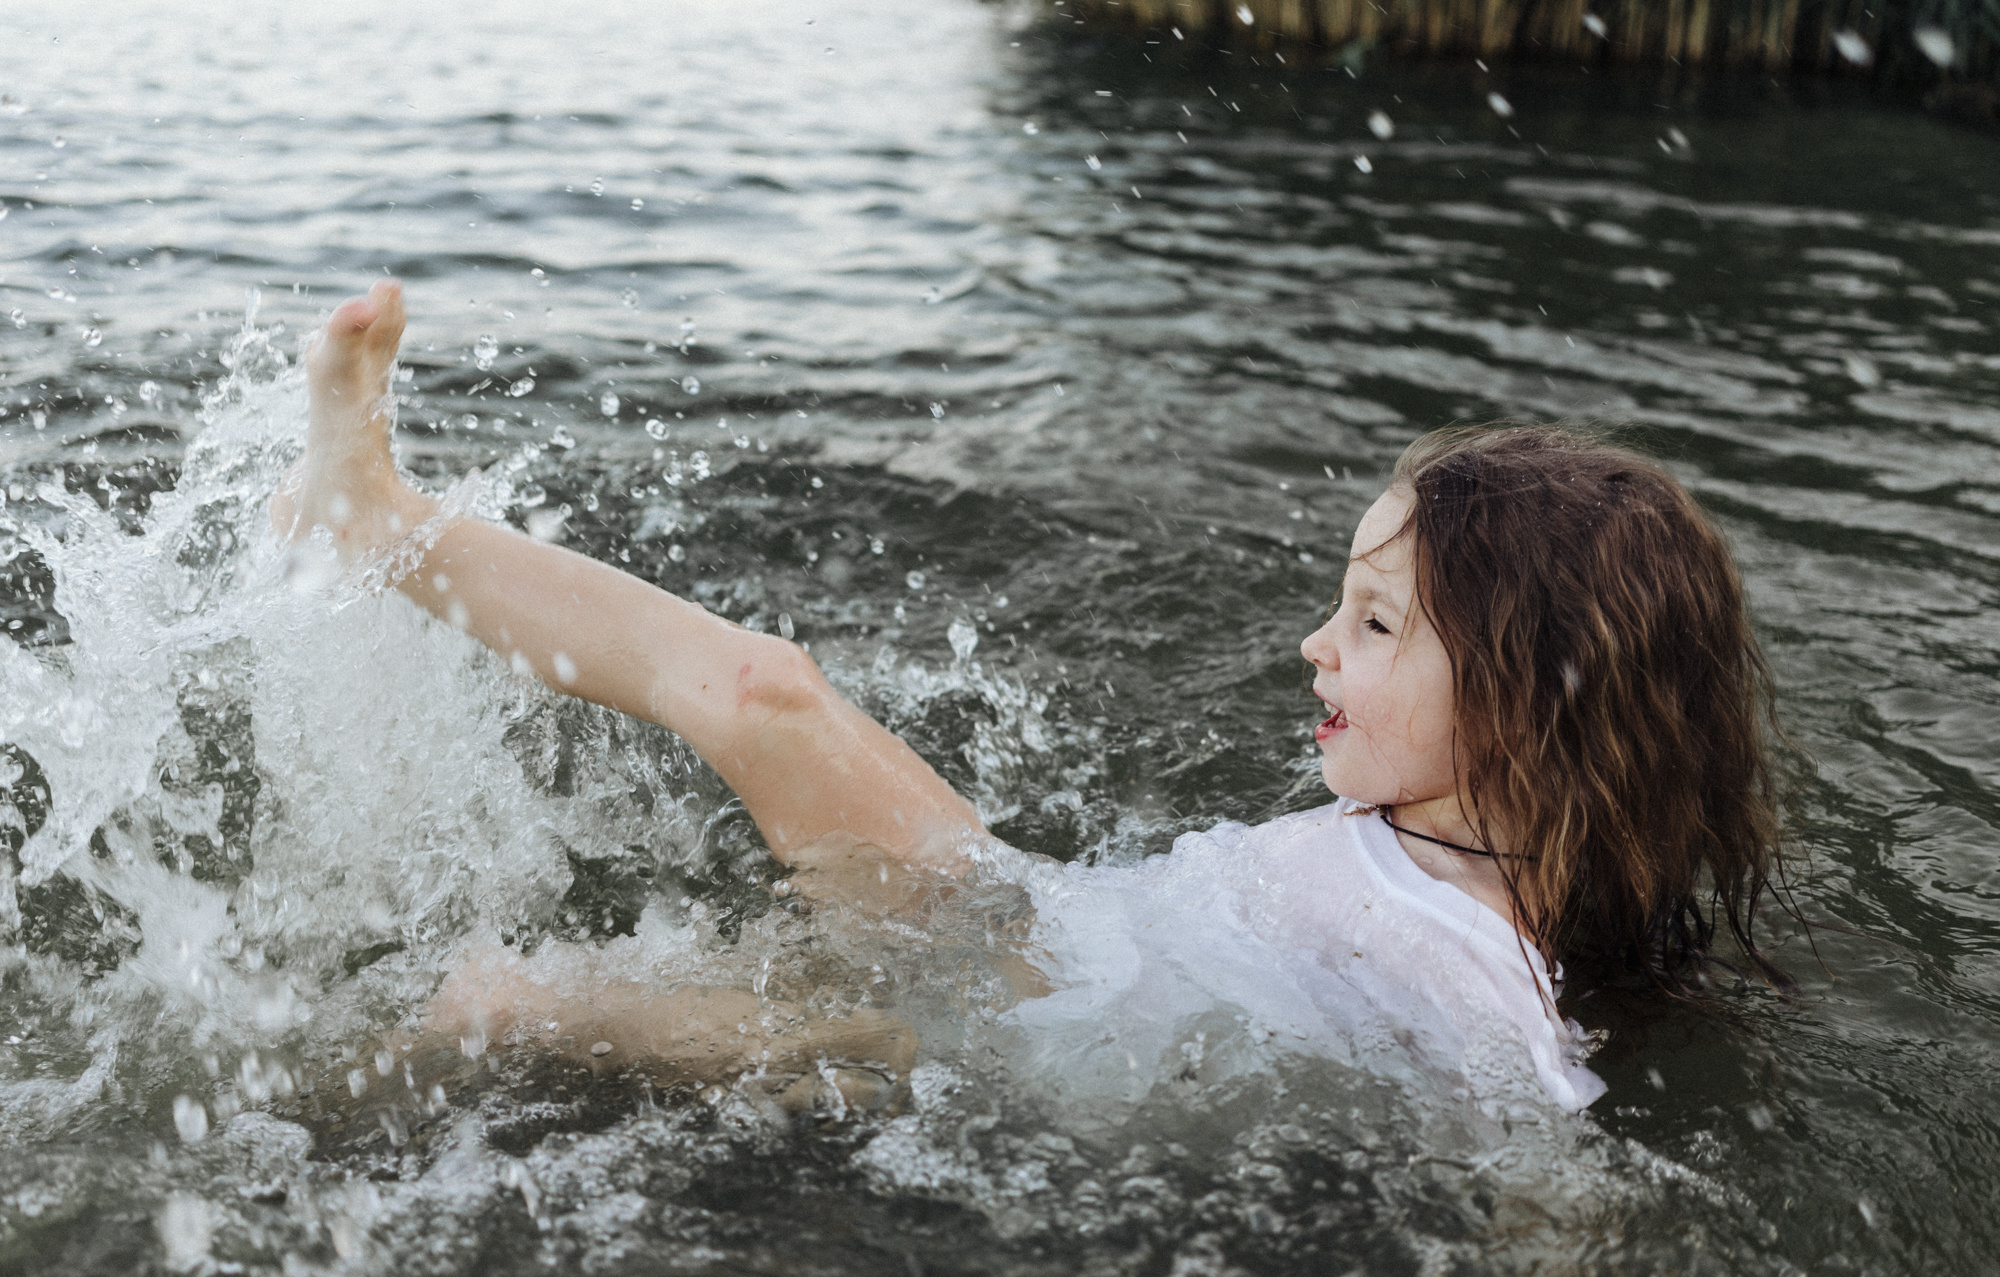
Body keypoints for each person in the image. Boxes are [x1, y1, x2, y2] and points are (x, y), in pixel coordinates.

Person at [276, 281, 1795, 1117]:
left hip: (1025, 1040)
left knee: (547, 993)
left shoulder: (1473, 970)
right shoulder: (1429, 821)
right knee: (765, 687)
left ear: (1526, 709)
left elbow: (1546, 1171)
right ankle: (377, 522)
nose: (1313, 648)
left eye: (1375, 623)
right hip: (1040, 921)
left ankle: (367, 1065)